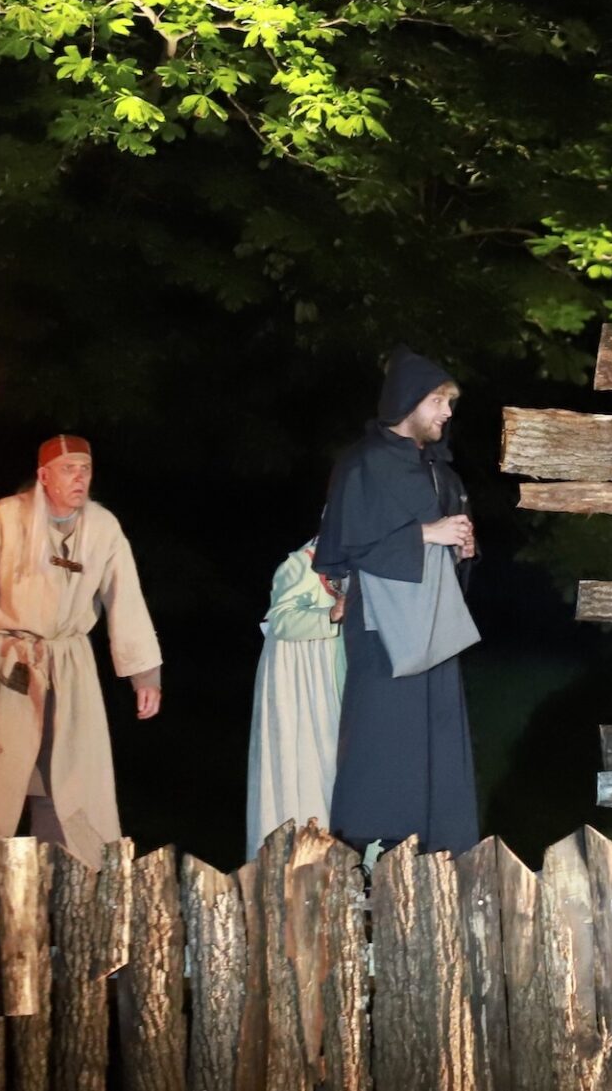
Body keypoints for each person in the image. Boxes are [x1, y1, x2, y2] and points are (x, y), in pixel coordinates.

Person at [0, 435, 163, 866]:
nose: (79, 478)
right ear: (44, 476)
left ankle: (74, 887)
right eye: (69, 469)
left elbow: (125, 599)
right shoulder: (4, 518)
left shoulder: (103, 527)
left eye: (85, 469)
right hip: (4, 665)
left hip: (69, 667)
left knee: (73, 785)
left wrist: (144, 675)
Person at [315, 348, 481, 855]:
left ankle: (438, 853)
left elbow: (447, 550)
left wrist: (462, 550)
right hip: (382, 631)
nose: (446, 412)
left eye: (449, 402)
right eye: (438, 400)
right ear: (407, 401)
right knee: (383, 740)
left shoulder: (439, 471)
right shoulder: (362, 464)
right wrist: (426, 534)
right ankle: (372, 853)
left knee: (437, 742)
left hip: (435, 628)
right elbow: (341, 551)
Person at [244, 540, 347, 856]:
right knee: (301, 769)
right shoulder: (302, 563)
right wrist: (330, 613)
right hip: (299, 686)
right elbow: (279, 619)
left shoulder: (356, 562)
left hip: (331, 680)